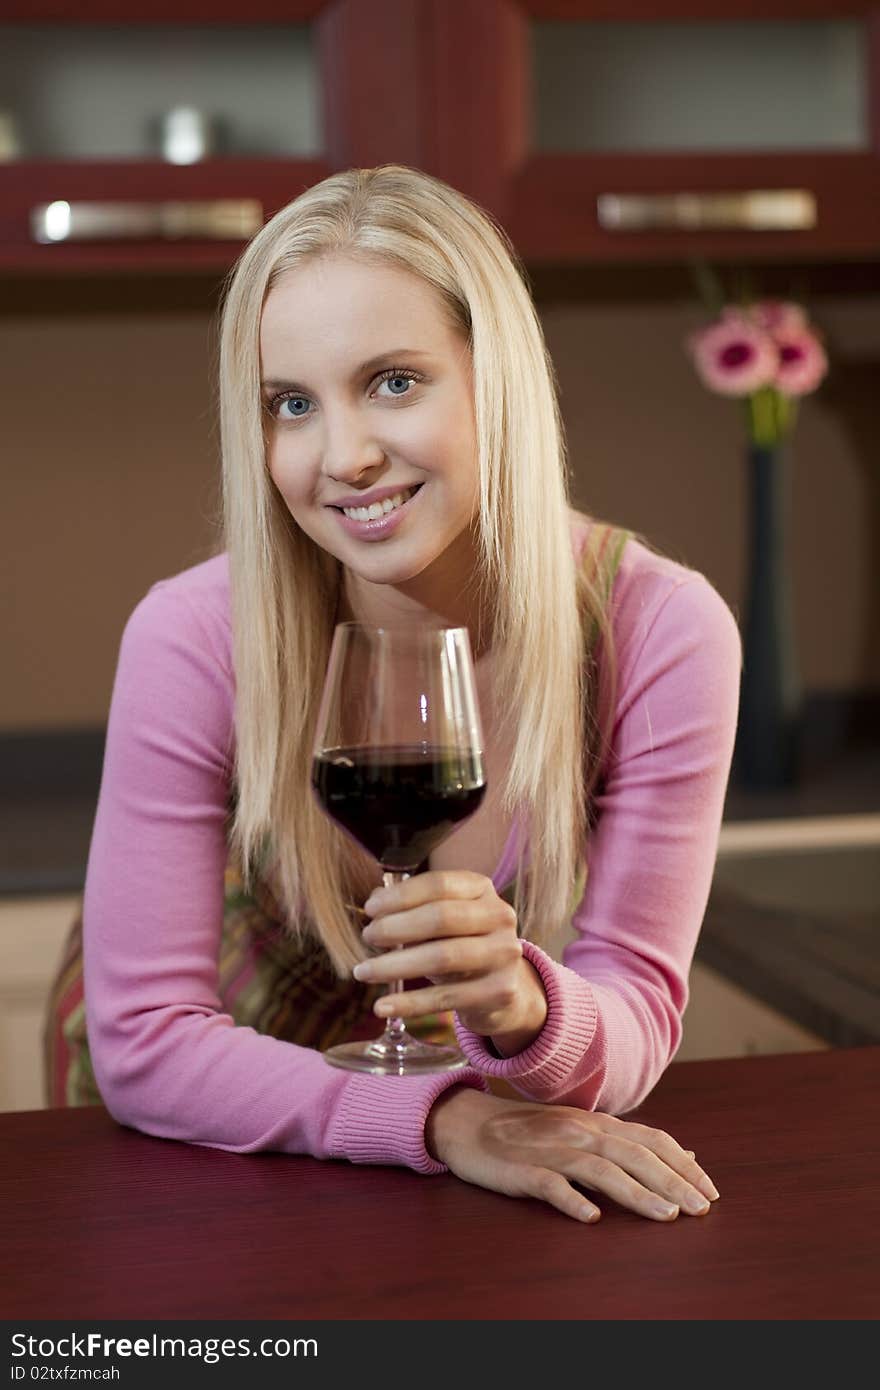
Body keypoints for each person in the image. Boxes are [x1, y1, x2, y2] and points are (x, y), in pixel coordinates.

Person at [45, 164, 741, 1226]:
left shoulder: (659, 631)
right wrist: (442, 1118)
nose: (346, 456)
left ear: (492, 374)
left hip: (479, 1144)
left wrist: (518, 1001)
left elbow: (637, 1016)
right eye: (292, 403)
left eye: (393, 382)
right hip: (221, 1130)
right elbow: (142, 1040)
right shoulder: (193, 634)